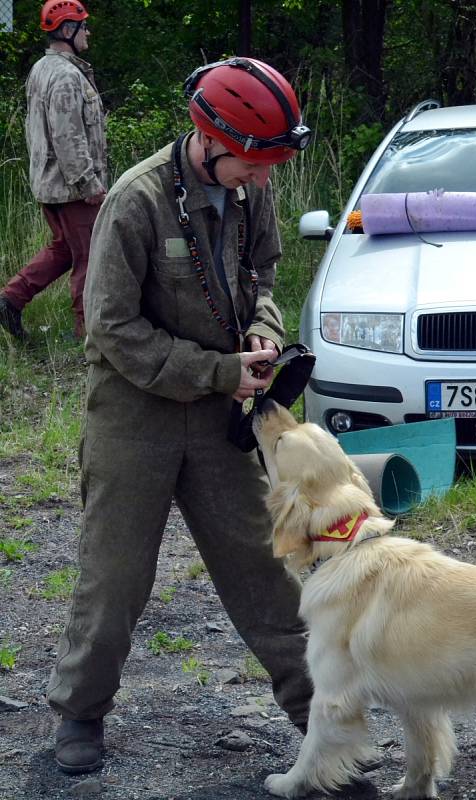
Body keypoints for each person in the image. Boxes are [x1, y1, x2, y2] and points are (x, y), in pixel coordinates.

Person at [47, 57, 314, 775]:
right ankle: (80, 713)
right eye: (253, 163)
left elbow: (264, 274)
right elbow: (110, 327)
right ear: (210, 138)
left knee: (266, 573)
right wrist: (218, 371)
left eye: (269, 165)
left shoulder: (252, 189)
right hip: (135, 416)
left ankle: (322, 728)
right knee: (115, 576)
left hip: (221, 415)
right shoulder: (135, 201)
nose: (260, 178)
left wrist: (261, 328)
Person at [0, 0, 106, 341]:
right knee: (90, 256)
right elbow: (67, 136)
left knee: (64, 249)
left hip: (53, 184)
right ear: (66, 30)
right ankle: (88, 335)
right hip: (72, 188)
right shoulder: (64, 75)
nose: (87, 31)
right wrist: (89, 184)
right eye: (82, 25)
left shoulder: (43, 69)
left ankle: (10, 300)